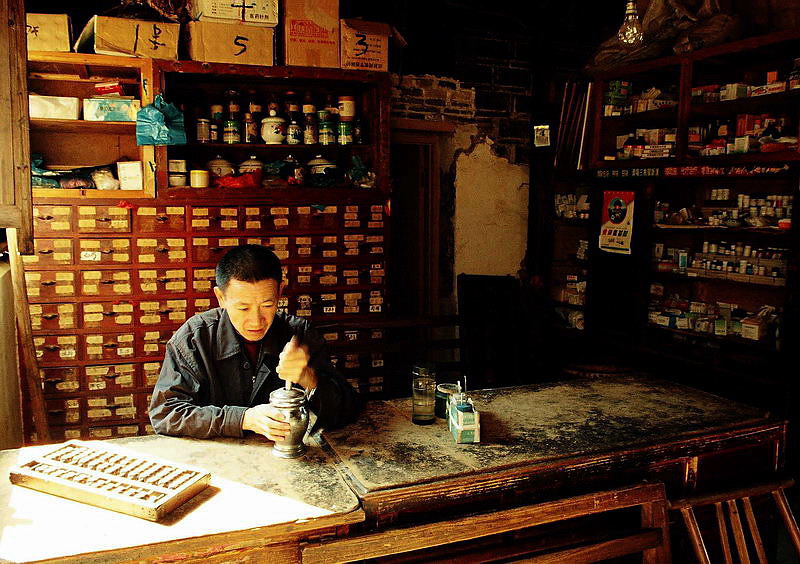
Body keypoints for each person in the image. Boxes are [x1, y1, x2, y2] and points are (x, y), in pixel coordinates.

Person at [149, 244, 359, 441]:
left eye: (267, 305)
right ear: (220, 297)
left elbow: (349, 409)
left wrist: (309, 378)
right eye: (243, 308)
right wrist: (243, 419)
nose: (256, 321)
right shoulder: (195, 338)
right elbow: (165, 413)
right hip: (215, 458)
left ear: (280, 292)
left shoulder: (299, 333)